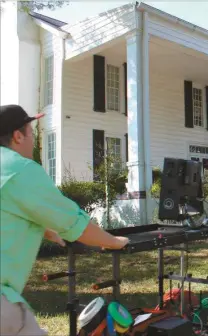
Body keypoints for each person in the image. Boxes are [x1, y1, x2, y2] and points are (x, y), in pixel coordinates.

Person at [0, 104, 130, 335]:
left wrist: (45, 229)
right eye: (32, 132)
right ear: (18, 136)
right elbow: (74, 223)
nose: (35, 140)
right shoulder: (20, 169)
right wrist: (113, 241)